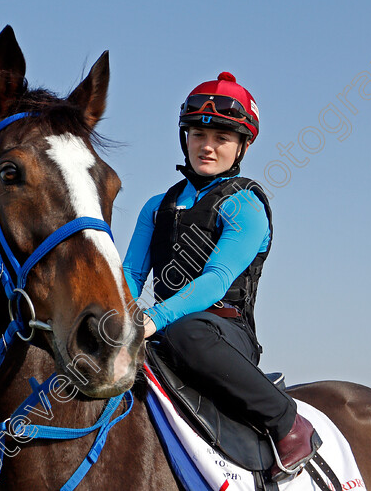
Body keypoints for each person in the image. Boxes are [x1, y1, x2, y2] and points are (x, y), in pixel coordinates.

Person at [123, 72, 320, 481]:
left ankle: (287, 422)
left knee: (185, 332)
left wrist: (154, 319)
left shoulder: (245, 205)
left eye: (223, 139)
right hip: (162, 330)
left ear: (242, 146)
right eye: (198, 134)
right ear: (185, 137)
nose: (207, 146)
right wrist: (114, 318)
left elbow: (215, 279)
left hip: (222, 333)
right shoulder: (155, 207)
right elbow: (131, 274)